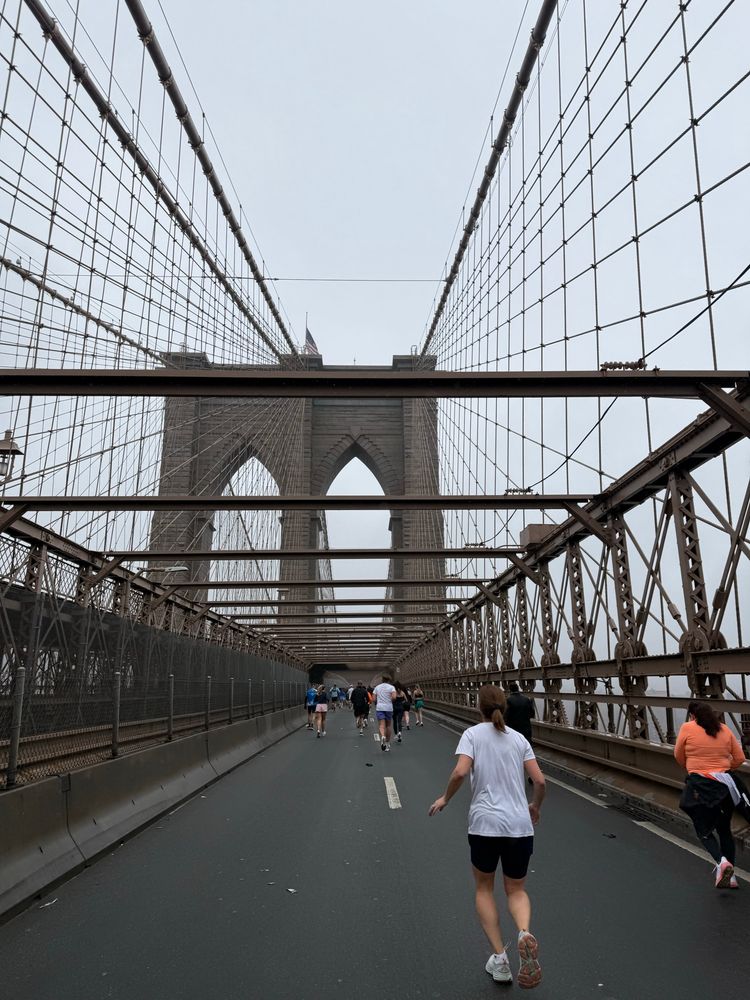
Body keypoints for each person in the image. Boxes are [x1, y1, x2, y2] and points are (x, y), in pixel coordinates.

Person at [429, 685, 545, 989]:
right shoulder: (519, 739)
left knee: (484, 889)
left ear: (477, 707)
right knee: (516, 890)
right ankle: (523, 932)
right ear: (504, 707)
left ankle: (500, 959)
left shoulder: (472, 735)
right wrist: (534, 806)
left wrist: (445, 799)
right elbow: (540, 780)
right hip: (520, 826)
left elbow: (459, 773)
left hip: (484, 825)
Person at [674, 701, 746, 889]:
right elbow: (739, 759)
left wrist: (694, 769)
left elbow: (678, 755)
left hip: (701, 785)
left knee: (703, 829)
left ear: (692, 716)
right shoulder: (723, 729)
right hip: (726, 785)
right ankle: (730, 878)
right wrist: (721, 769)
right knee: (724, 830)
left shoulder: (687, 728)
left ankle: (721, 862)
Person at [372, 674, 397, 751]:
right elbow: (394, 697)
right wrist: (390, 701)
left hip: (380, 708)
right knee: (388, 726)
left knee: (381, 725)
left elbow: (373, 699)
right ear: (389, 680)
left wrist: (378, 702)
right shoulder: (391, 687)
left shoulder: (377, 687)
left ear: (382, 680)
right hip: (389, 708)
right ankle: (387, 743)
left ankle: (382, 736)